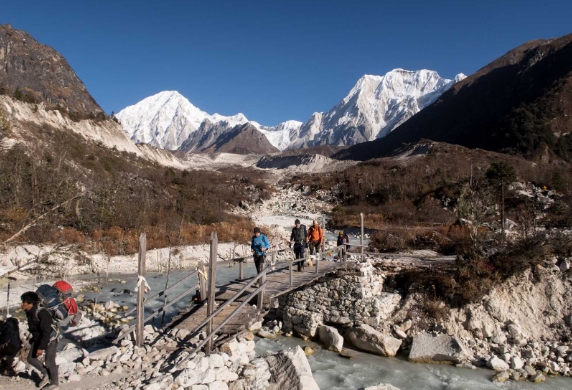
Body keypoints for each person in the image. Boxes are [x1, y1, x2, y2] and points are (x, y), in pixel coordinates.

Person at [21, 291, 59, 390]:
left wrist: (41, 348)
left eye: (23, 302)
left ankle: (54, 383)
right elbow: (35, 328)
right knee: (31, 359)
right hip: (38, 338)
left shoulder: (41, 313)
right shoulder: (29, 312)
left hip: (50, 339)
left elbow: (46, 332)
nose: (21, 304)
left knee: (49, 362)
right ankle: (45, 373)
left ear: (30, 303)